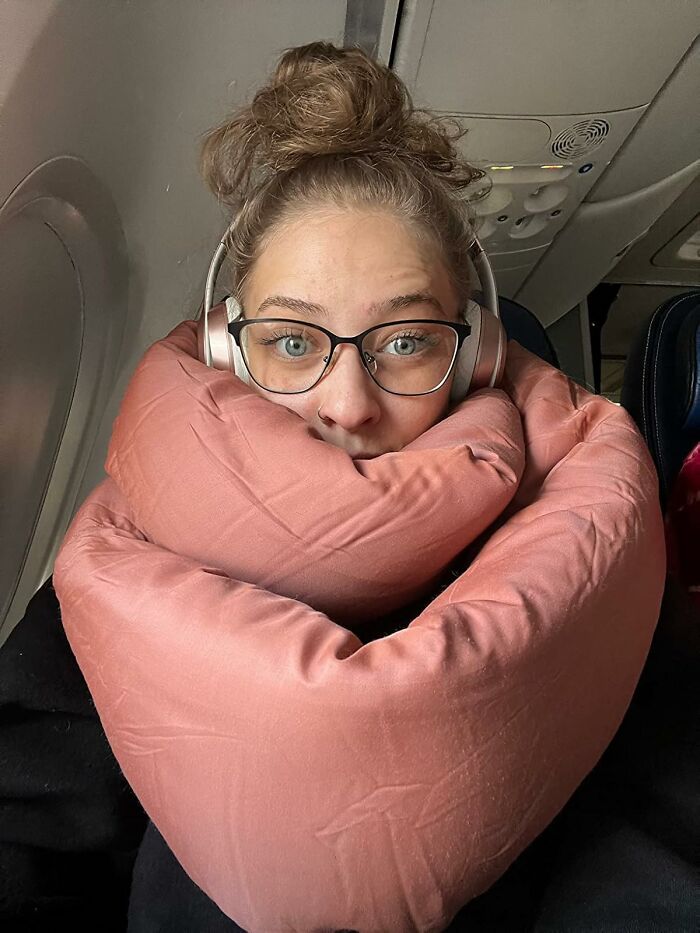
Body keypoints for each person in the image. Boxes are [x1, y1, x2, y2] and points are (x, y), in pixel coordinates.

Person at [1, 41, 697, 933]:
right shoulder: (119, 566)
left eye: (404, 341)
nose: (348, 403)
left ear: (474, 355)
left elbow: (663, 822)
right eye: (293, 343)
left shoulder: (589, 556)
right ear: (228, 353)